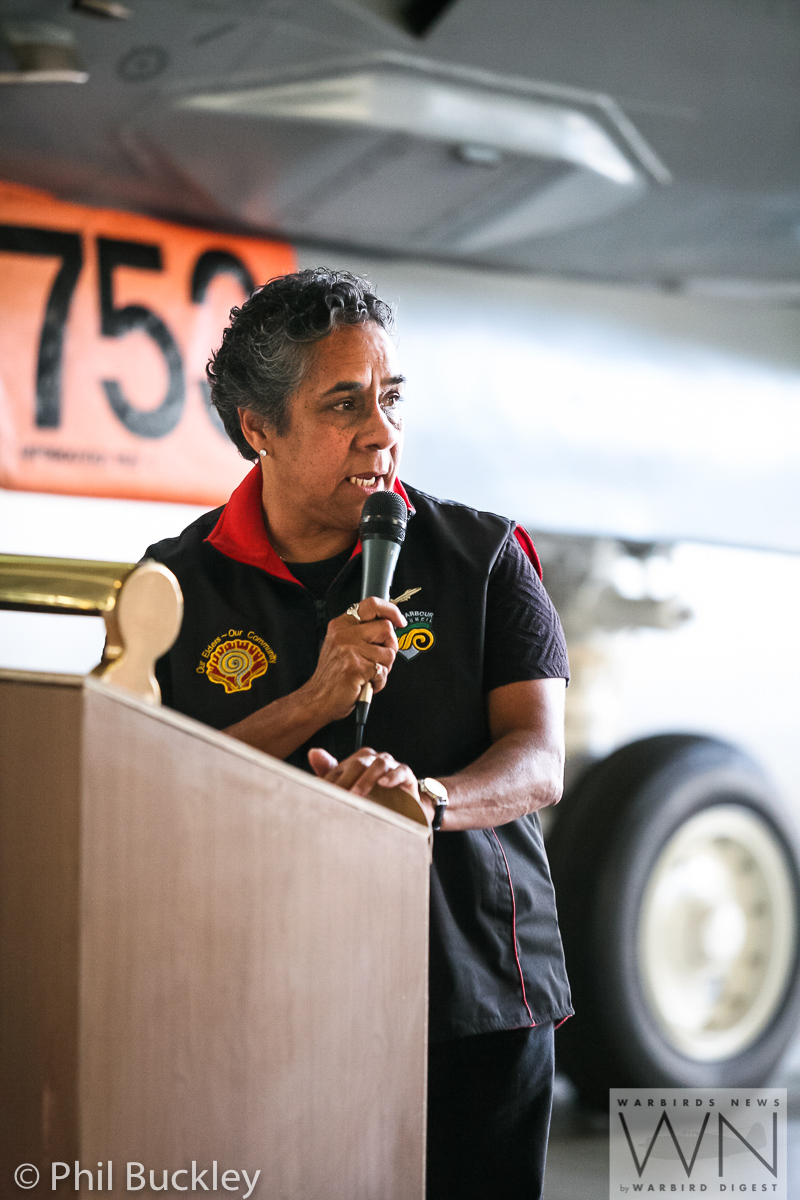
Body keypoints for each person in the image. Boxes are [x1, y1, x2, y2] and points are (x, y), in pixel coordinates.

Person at [145, 268, 572, 1200]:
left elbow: (539, 761)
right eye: (345, 404)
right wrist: (311, 698)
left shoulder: (485, 555)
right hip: (260, 994)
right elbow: (154, 784)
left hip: (475, 992)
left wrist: (430, 799)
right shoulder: (174, 581)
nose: (382, 432)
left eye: (391, 399)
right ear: (259, 428)